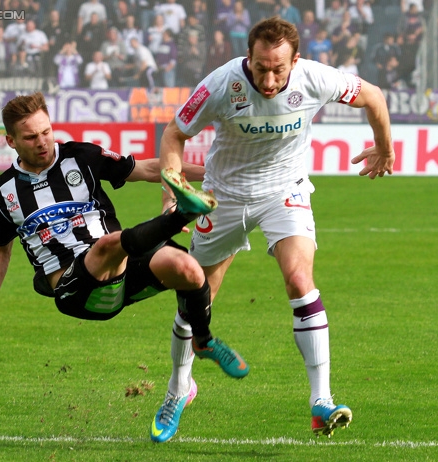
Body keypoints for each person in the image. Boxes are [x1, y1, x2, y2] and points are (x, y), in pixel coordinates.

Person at [153, 16, 394, 443]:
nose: (268, 77)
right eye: (261, 66)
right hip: (223, 197)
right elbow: (174, 134)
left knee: (300, 280)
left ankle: (321, 402)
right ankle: (179, 389)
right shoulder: (221, 84)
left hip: (285, 191)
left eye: (278, 69)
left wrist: (384, 148)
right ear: (249, 57)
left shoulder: (315, 78)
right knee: (197, 297)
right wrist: (174, 186)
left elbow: (373, 96)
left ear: (294, 61)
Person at [0, 93, 249, 436]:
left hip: (119, 269)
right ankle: (183, 213)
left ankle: (202, 342)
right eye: (31, 137)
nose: (42, 142)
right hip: (74, 289)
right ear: (11, 141)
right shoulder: (3, 191)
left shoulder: (81, 156)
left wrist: (216, 177)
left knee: (188, 269)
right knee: (110, 243)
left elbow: (150, 168)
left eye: (46, 132)